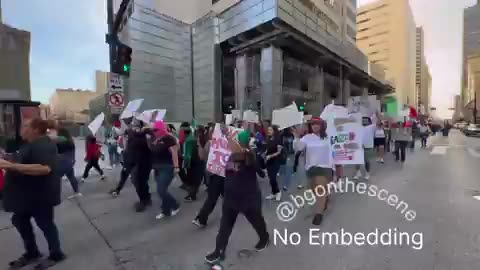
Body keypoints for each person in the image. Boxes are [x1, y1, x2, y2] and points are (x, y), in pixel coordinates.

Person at [0, 118, 66, 269]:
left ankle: (56, 254)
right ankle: (32, 253)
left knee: (45, 224)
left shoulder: (44, 144)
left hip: (40, 196)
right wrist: (7, 159)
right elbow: (23, 160)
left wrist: (12, 166)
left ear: (36, 129)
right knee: (19, 220)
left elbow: (44, 168)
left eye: (26, 126)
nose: (22, 128)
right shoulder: (30, 144)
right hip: (27, 196)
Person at [205, 130, 269, 263]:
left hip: (249, 198)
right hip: (231, 198)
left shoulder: (249, 155)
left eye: (237, 141)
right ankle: (219, 251)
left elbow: (256, 168)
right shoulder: (225, 156)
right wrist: (210, 146)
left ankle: (264, 238)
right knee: (225, 227)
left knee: (257, 222)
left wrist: (227, 137)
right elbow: (211, 164)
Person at [293, 117, 332, 225]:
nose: (315, 126)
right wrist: (296, 137)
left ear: (321, 125)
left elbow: (336, 151)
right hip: (311, 168)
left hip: (325, 167)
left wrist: (337, 169)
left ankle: (318, 214)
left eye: (317, 124)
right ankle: (325, 200)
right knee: (316, 190)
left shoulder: (328, 137)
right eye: (313, 124)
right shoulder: (307, 138)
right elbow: (298, 148)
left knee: (320, 189)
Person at [147, 121, 180, 219]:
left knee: (161, 190)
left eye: (156, 130)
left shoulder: (169, 138)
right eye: (153, 130)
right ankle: (165, 210)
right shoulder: (153, 138)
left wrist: (176, 167)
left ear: (162, 129)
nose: (154, 131)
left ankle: (175, 205)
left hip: (167, 167)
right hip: (157, 167)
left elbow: (174, 153)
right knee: (162, 190)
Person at [55, 128, 82, 199]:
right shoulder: (71, 141)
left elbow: (56, 152)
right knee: (71, 177)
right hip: (70, 162)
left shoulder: (59, 141)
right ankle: (77, 192)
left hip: (62, 162)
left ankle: (55, 196)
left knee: (56, 179)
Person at [354, 116, 376, 180]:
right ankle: (358, 173)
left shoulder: (372, 127)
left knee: (367, 161)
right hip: (359, 146)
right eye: (363, 120)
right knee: (357, 160)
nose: (364, 121)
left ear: (369, 121)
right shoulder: (358, 127)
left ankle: (367, 173)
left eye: (366, 120)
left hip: (368, 146)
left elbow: (378, 122)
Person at [264, 125, 283, 201]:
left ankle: (278, 192)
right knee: (270, 178)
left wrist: (271, 156)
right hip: (268, 161)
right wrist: (264, 153)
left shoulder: (278, 139)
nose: (268, 131)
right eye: (268, 130)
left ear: (274, 131)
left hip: (276, 161)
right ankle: (273, 193)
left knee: (273, 178)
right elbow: (267, 149)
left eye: (270, 130)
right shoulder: (268, 139)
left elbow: (279, 152)